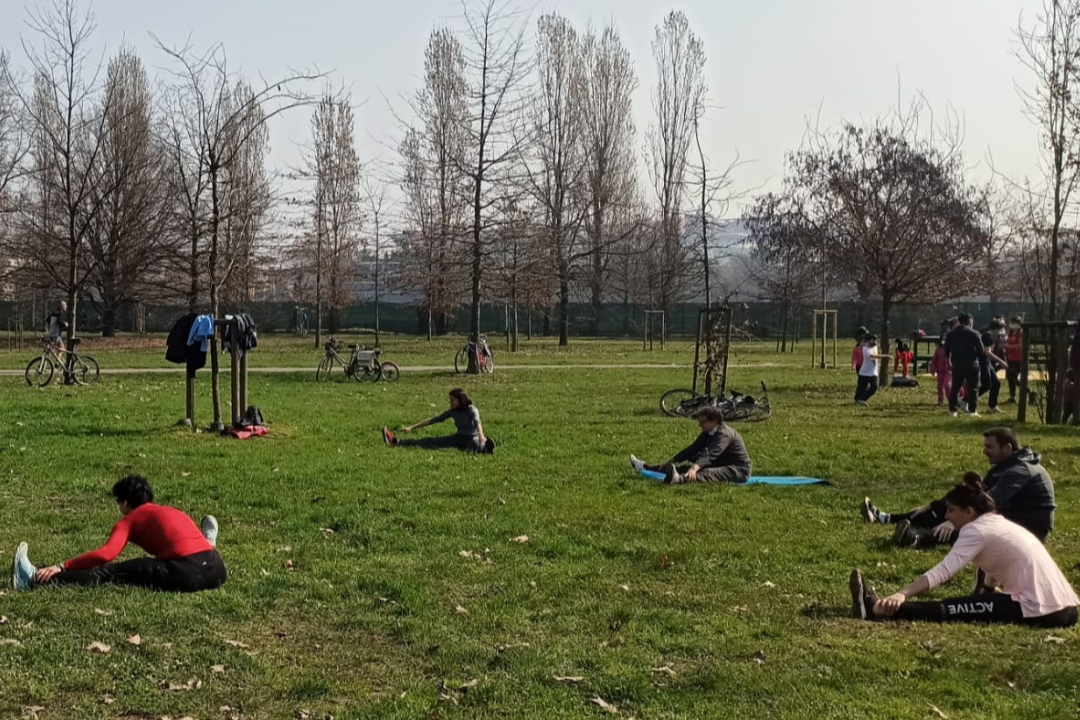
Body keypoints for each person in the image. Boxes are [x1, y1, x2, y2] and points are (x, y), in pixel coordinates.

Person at [849, 477, 1078, 628]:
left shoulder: (975, 530)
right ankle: (880, 608)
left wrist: (902, 594)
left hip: (1041, 609)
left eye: (951, 511)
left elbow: (944, 571)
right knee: (974, 605)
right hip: (1065, 607)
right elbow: (999, 564)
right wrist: (986, 593)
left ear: (969, 511)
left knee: (951, 608)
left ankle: (877, 609)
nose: (947, 517)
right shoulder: (996, 523)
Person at [11, 475, 225, 593]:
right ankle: (210, 539)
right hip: (216, 570)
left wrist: (62, 565)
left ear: (124, 502)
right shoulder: (171, 511)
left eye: (118, 502)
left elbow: (105, 555)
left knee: (109, 572)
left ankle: (32, 579)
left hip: (186, 574)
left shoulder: (130, 520)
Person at [862, 427, 1056, 547]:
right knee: (953, 507)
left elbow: (987, 504)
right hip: (1007, 516)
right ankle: (886, 518)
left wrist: (955, 520)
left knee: (967, 524)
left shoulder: (1020, 471)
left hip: (1029, 529)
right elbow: (973, 494)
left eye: (990, 447)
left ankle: (915, 539)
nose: (984, 451)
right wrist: (935, 505)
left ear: (1007, 448)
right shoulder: (1004, 466)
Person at [630, 406, 751, 484]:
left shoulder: (724, 434)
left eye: (703, 421)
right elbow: (692, 449)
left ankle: (679, 479)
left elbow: (710, 454)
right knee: (684, 468)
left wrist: (694, 469)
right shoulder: (708, 432)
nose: (700, 424)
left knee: (706, 473)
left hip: (738, 470)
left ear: (714, 421)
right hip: (721, 463)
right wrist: (670, 461)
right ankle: (647, 467)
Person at [383, 388, 493, 453]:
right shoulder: (452, 411)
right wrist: (411, 427)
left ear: (461, 400)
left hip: (473, 437)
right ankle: (396, 441)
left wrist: (481, 436)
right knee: (429, 441)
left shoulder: (471, 409)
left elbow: (477, 422)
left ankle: (485, 448)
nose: (451, 402)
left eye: (453, 400)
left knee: (474, 445)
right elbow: (433, 420)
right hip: (458, 438)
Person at [945, 313, 983, 416]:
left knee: (955, 387)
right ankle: (972, 410)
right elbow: (981, 350)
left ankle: (952, 410)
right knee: (973, 387)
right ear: (969, 321)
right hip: (971, 363)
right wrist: (974, 356)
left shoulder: (951, 334)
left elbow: (946, 350)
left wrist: (949, 360)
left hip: (957, 362)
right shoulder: (974, 333)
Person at [977, 319, 1008, 415]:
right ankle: (966, 400)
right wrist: (1001, 361)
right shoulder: (987, 336)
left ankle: (992, 406)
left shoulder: (992, 337)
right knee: (987, 385)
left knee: (996, 383)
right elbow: (987, 352)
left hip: (987, 363)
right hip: (983, 362)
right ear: (996, 329)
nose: (1001, 332)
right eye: (1000, 329)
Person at [855, 334, 887, 406]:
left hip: (873, 373)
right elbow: (872, 356)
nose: (874, 342)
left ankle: (862, 399)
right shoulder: (865, 349)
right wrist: (885, 356)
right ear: (867, 341)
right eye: (872, 340)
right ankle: (858, 400)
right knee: (861, 389)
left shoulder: (875, 347)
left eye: (875, 340)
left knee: (874, 386)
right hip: (864, 373)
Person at [1005, 316, 1024, 404]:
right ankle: (1012, 396)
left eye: (1013, 323)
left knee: (1014, 377)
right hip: (1010, 358)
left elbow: (1020, 346)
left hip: (1018, 359)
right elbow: (1007, 342)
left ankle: (1025, 389)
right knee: (1009, 377)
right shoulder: (1010, 332)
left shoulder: (1021, 333)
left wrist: (1008, 347)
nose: (1011, 325)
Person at [929, 337, 952, 406]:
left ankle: (951, 399)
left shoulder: (951, 349)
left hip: (949, 371)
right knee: (940, 386)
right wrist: (932, 369)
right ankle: (940, 400)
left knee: (947, 385)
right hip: (940, 371)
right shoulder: (938, 350)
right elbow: (934, 360)